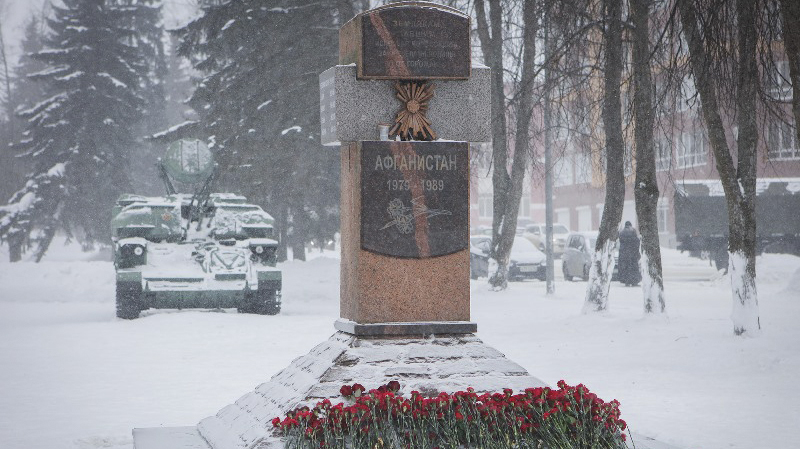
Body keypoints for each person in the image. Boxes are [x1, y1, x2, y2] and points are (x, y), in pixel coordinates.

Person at [618, 221, 642, 286]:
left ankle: (627, 281)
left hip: (624, 254)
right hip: (633, 253)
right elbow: (637, 242)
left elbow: (621, 243)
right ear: (630, 225)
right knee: (634, 268)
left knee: (626, 268)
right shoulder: (633, 231)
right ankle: (634, 281)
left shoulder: (622, 233)